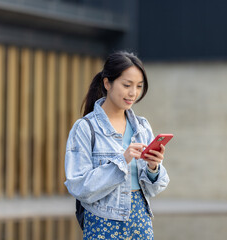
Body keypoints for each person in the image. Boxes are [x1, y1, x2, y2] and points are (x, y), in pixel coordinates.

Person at [64, 51, 170, 239]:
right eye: (127, 85)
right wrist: (122, 160)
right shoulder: (85, 128)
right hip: (103, 224)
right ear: (107, 83)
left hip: (140, 222)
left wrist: (154, 167)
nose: (133, 93)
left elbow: (154, 189)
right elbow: (79, 187)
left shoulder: (142, 127)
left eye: (139, 86)